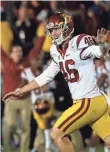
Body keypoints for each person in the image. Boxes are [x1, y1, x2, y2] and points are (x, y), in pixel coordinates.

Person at [3, 12, 110, 152]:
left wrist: (102, 44)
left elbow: (99, 51)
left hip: (88, 101)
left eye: (57, 29)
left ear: (67, 27)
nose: (53, 33)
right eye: (51, 30)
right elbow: (46, 76)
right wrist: (21, 91)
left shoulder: (78, 42)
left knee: (56, 134)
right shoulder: (56, 50)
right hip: (91, 101)